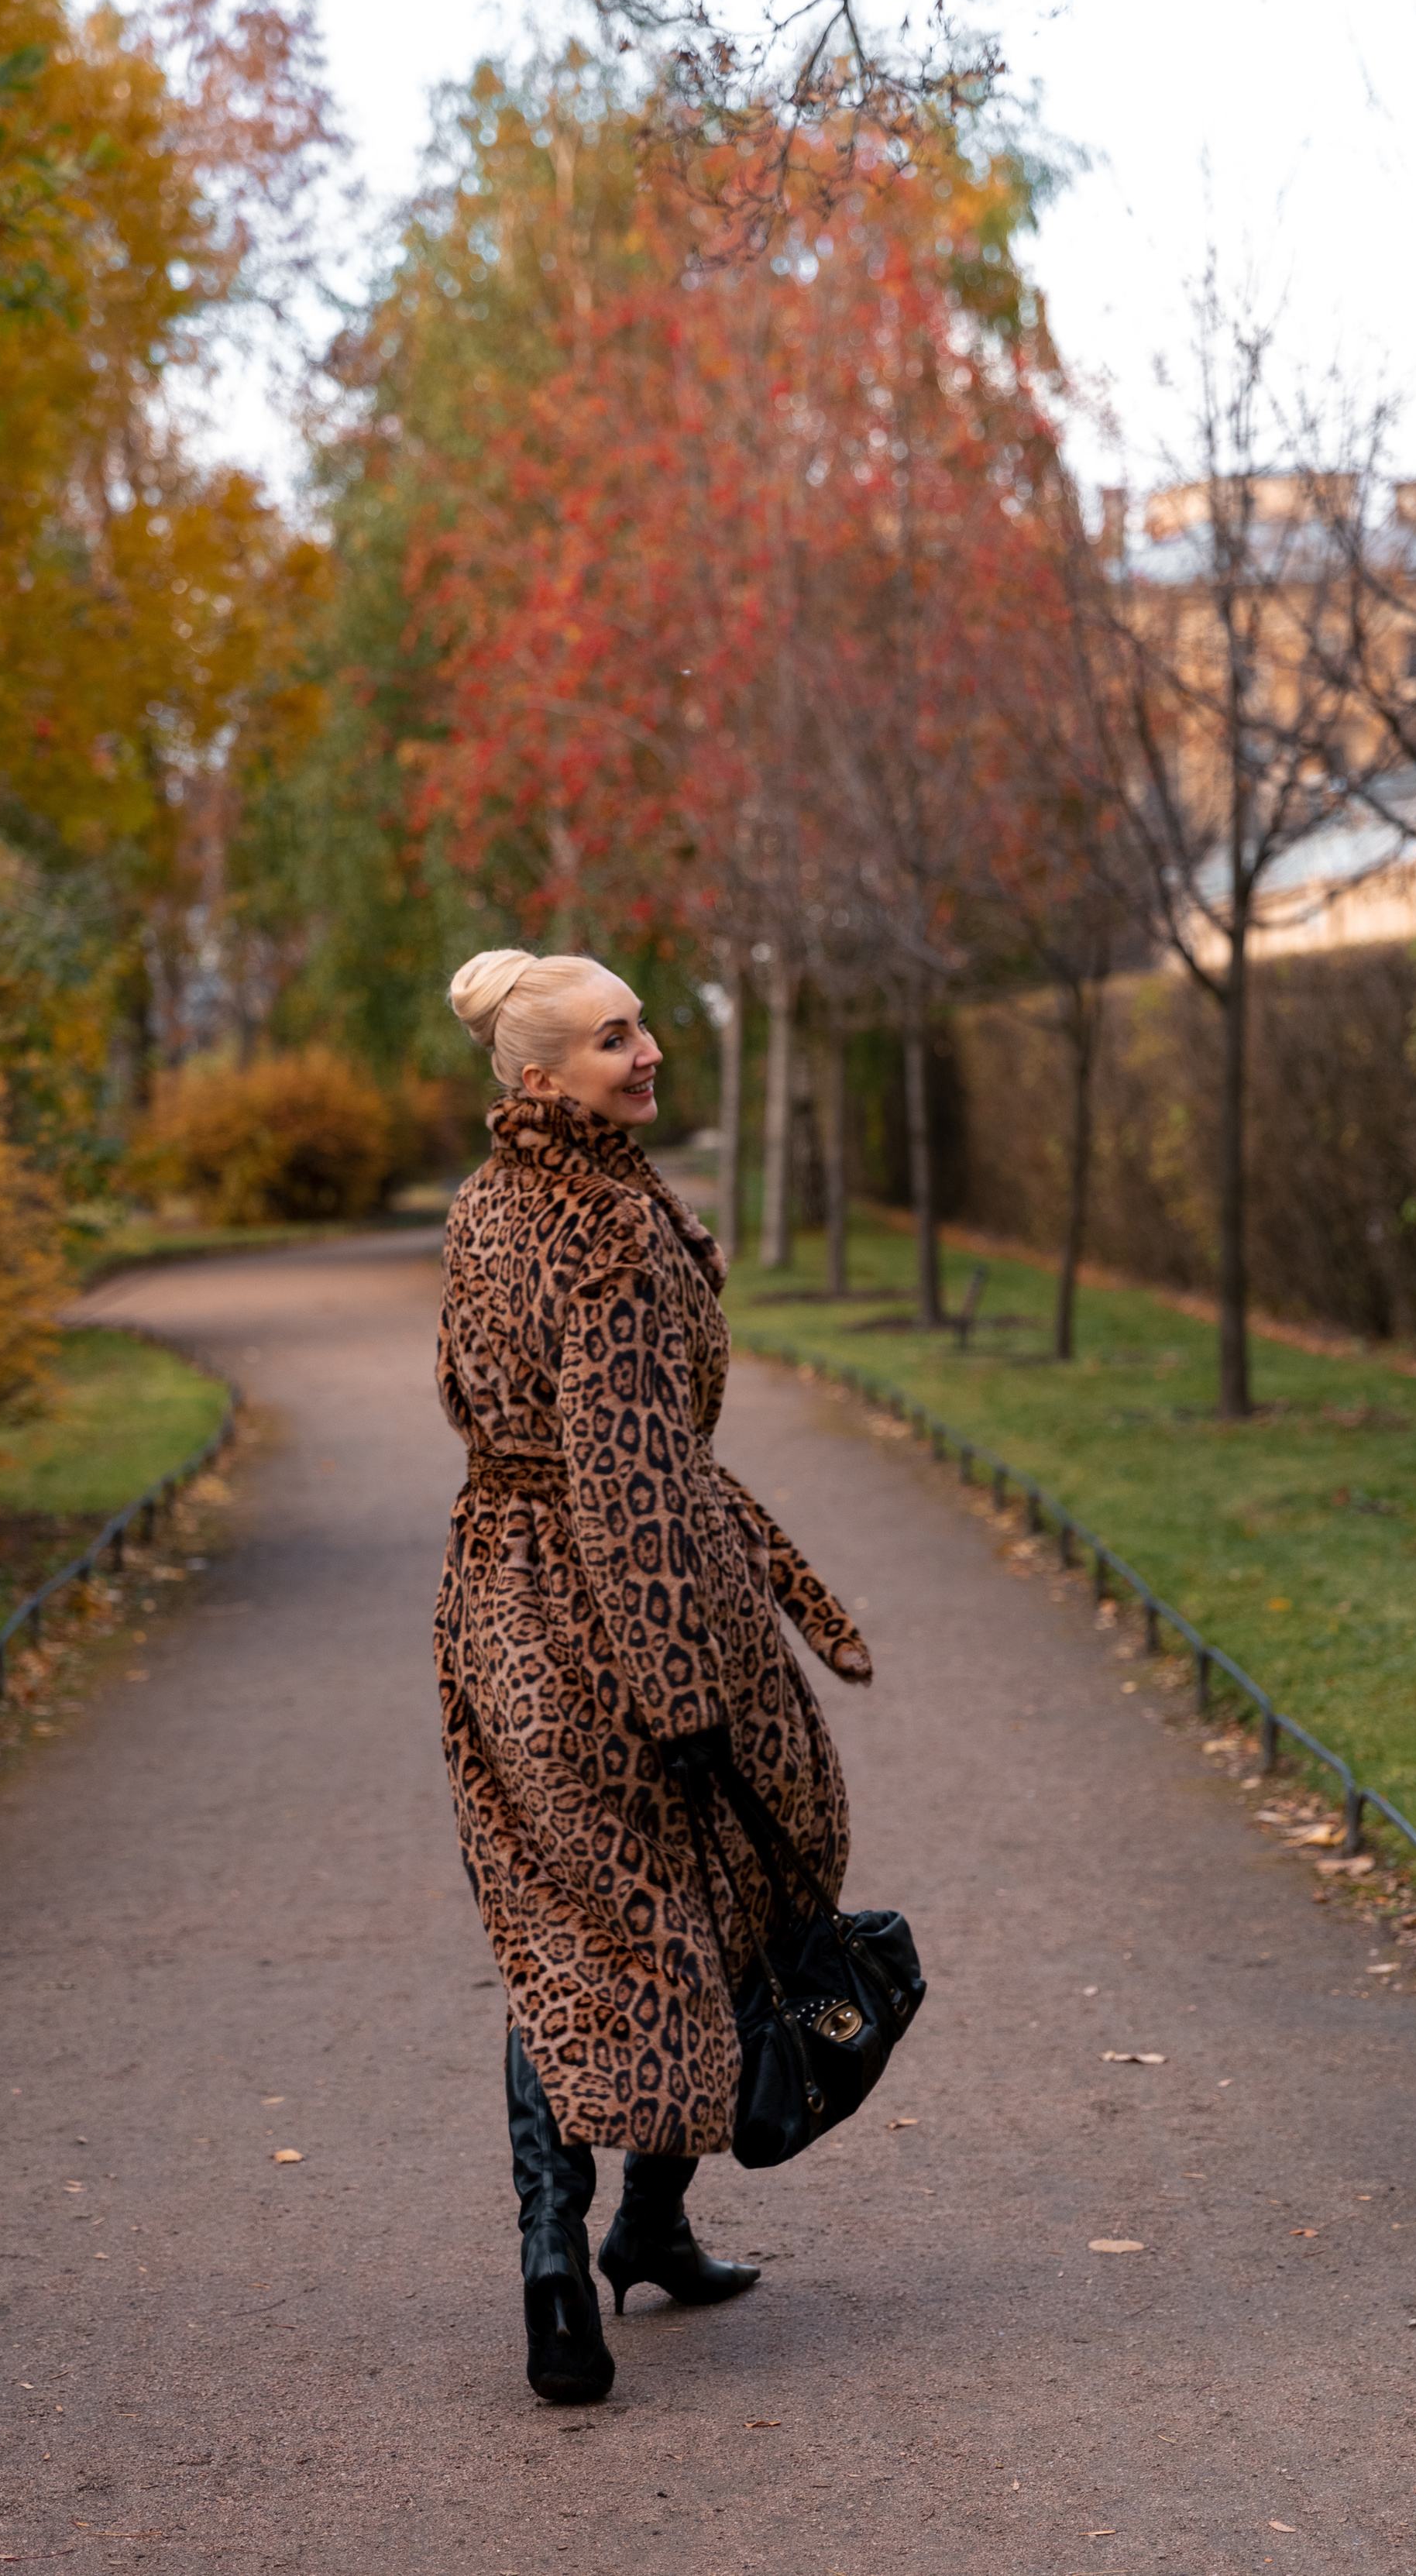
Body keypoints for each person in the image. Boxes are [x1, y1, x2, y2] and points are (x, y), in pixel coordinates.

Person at [434, 947, 873, 2403]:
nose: (650, 1051)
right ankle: (632, 2222)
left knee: (571, 1924)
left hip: (502, 1595)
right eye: (615, 1039)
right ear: (542, 1076)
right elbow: (630, 1481)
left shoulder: (490, 1200)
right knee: (733, 1884)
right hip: (631, 1603)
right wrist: (681, 1689)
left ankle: (585, 2245)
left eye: (644, 1027)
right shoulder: (611, 1229)